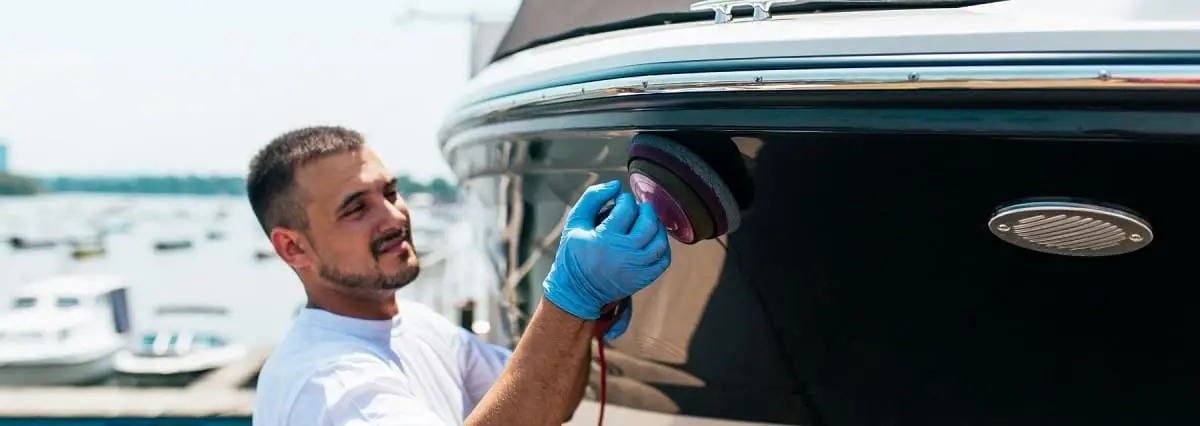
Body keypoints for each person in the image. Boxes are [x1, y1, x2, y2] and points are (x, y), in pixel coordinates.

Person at [248, 126, 671, 425]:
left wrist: (590, 312)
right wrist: (571, 295)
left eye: (391, 193)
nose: (395, 216)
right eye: (357, 208)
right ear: (293, 247)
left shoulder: (416, 325)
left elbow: (547, 403)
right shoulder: (330, 382)